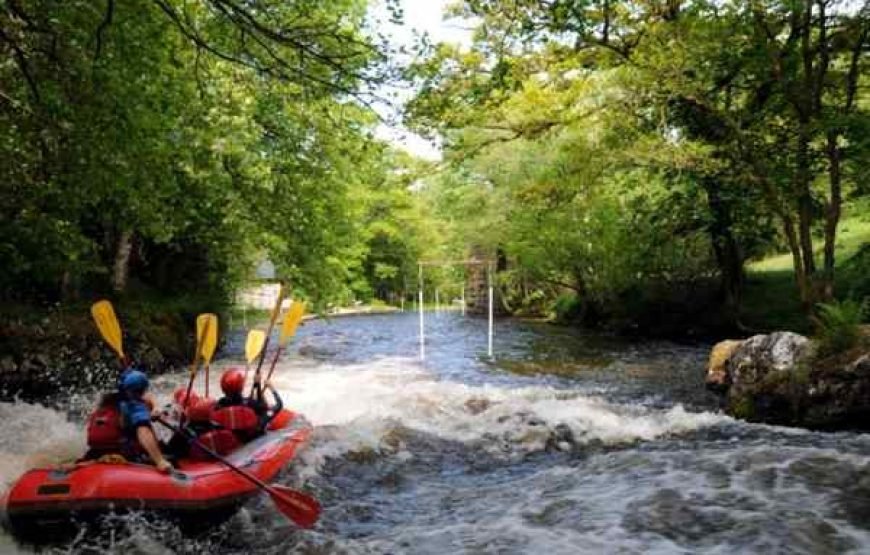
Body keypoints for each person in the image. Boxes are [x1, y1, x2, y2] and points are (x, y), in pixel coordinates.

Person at [117, 368, 173, 472]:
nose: (141, 394)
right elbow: (143, 430)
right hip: (128, 447)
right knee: (142, 425)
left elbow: (150, 399)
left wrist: (155, 409)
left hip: (125, 444)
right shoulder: (132, 405)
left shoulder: (138, 398)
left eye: (141, 391)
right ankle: (159, 459)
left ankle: (155, 453)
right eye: (137, 391)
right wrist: (160, 461)